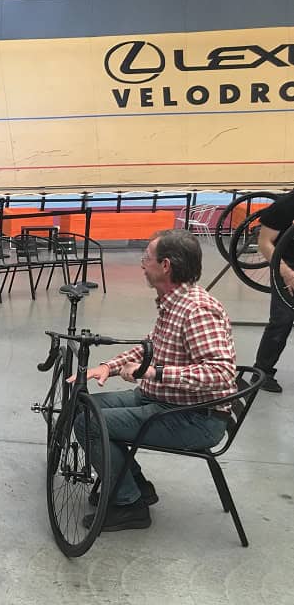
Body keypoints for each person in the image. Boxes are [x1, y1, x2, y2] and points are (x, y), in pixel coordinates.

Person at [76, 229, 237, 532]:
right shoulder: (173, 301)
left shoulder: (198, 310)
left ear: (166, 266)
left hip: (194, 419)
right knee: (81, 406)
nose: (141, 264)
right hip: (162, 400)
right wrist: (108, 368)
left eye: (146, 258)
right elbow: (149, 347)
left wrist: (154, 372)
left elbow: (221, 372)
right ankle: (137, 486)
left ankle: (129, 505)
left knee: (89, 421)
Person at [252, 190, 294, 392]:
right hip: (285, 263)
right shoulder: (285, 206)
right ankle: (262, 371)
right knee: (282, 319)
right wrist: (286, 272)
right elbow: (264, 242)